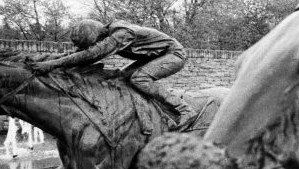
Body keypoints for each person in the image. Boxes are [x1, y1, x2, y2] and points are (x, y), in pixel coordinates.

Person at [32, 19, 192, 120]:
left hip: (174, 54)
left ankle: (184, 109)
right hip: (153, 57)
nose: (94, 46)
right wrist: (46, 61)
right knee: (120, 78)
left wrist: (52, 64)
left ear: (97, 36)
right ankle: (144, 112)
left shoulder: (121, 33)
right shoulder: (107, 33)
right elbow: (79, 54)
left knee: (140, 78)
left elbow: (92, 54)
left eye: (94, 43)